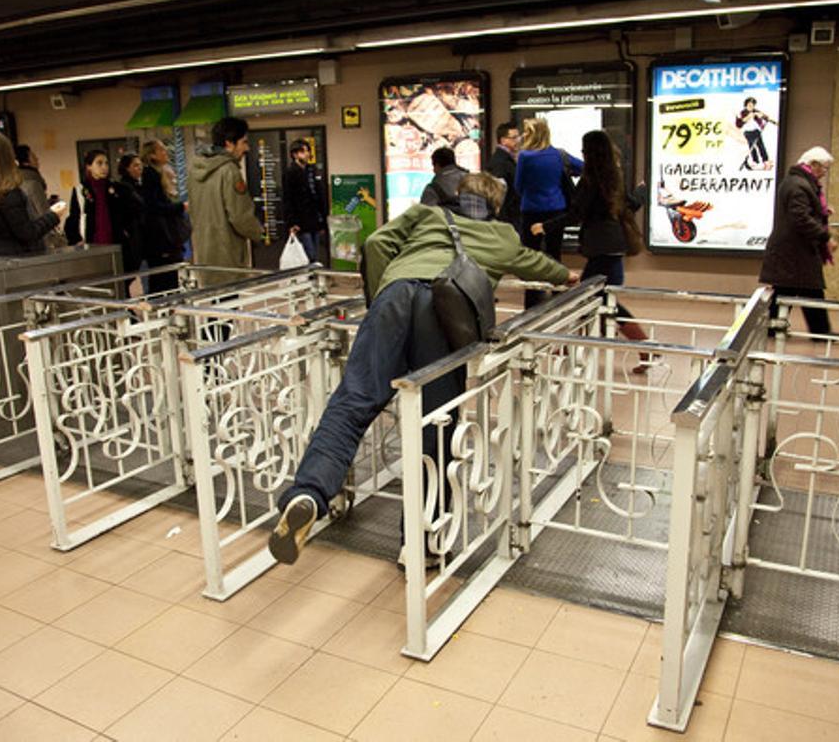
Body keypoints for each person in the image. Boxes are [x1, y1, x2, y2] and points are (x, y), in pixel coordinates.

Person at [268, 172, 574, 566]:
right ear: (496, 206)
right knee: (436, 426)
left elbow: (377, 243)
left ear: (458, 196)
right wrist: (566, 275)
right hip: (446, 317)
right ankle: (422, 542)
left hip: (394, 299)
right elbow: (534, 264)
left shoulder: (428, 215)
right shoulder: (503, 236)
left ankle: (308, 493)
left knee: (352, 402)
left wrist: (382, 295)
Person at [534, 130, 654, 373]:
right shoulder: (613, 176)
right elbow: (632, 203)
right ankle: (644, 349)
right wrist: (642, 190)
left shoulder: (590, 181)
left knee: (596, 300)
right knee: (597, 300)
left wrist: (545, 226)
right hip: (613, 246)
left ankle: (646, 348)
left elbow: (576, 213)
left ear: (589, 152)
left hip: (600, 248)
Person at [760, 146, 837, 336]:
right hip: (794, 252)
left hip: (793, 252)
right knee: (806, 291)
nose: (824, 173)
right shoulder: (799, 185)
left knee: (797, 291)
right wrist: (825, 236)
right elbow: (800, 218)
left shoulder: (796, 182)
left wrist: (822, 212)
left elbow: (800, 213)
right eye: (824, 168)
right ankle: (819, 332)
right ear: (813, 164)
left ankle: (815, 331)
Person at [515, 117, 582, 307]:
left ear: (535, 134)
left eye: (527, 131)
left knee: (531, 256)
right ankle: (557, 296)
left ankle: (533, 300)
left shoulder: (525, 157)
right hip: (556, 210)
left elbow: (518, 186)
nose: (524, 135)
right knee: (554, 253)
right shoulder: (558, 155)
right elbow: (583, 167)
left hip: (531, 210)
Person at [188, 117, 263, 287]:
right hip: (227, 251)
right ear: (229, 143)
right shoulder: (229, 171)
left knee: (214, 304)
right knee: (229, 302)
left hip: (204, 250)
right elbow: (239, 216)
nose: (247, 148)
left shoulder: (195, 171)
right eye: (243, 142)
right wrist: (258, 233)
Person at [0, 132, 68, 257]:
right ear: (8, 156)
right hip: (14, 259)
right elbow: (27, 234)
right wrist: (53, 215)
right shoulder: (8, 192)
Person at [67, 149, 141, 273]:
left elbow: (133, 210)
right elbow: (74, 217)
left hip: (116, 242)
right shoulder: (80, 190)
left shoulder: (118, 188)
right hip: (92, 242)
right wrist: (76, 239)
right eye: (99, 163)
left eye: (106, 163)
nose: (104, 167)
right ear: (89, 167)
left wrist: (128, 232)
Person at [140, 139, 189, 294]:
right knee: (164, 280)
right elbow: (155, 207)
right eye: (161, 150)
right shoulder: (151, 176)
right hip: (161, 239)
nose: (165, 152)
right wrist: (180, 207)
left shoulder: (155, 175)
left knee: (168, 279)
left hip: (163, 238)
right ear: (152, 155)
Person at [283, 139, 327, 263]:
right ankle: (309, 278)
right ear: (295, 154)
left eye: (307, 151)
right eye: (303, 151)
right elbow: (288, 199)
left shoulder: (312, 170)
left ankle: (313, 277)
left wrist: (323, 220)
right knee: (309, 255)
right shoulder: (290, 173)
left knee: (316, 253)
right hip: (301, 222)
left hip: (315, 220)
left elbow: (319, 195)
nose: (306, 154)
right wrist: (292, 222)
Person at [16, 144, 65, 250]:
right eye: (33, 157)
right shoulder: (33, 183)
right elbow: (43, 213)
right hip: (40, 240)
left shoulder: (16, 182)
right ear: (26, 161)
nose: (37, 160)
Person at [112, 153, 148, 276]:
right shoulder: (124, 188)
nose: (140, 168)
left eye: (140, 165)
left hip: (139, 233)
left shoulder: (139, 185)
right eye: (136, 165)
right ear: (127, 168)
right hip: (134, 235)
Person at [485, 121, 521, 232]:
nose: (518, 141)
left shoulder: (506, 159)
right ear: (503, 140)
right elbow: (498, 194)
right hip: (507, 218)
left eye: (518, 137)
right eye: (514, 138)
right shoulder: (500, 162)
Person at [736, 97, 776, 171]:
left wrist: (774, 122)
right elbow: (739, 122)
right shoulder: (742, 113)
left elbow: (766, 117)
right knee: (752, 145)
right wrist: (750, 116)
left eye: (752, 105)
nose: (751, 107)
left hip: (756, 131)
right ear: (746, 105)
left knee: (761, 145)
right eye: (749, 105)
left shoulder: (756, 111)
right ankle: (755, 161)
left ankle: (765, 161)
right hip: (748, 132)